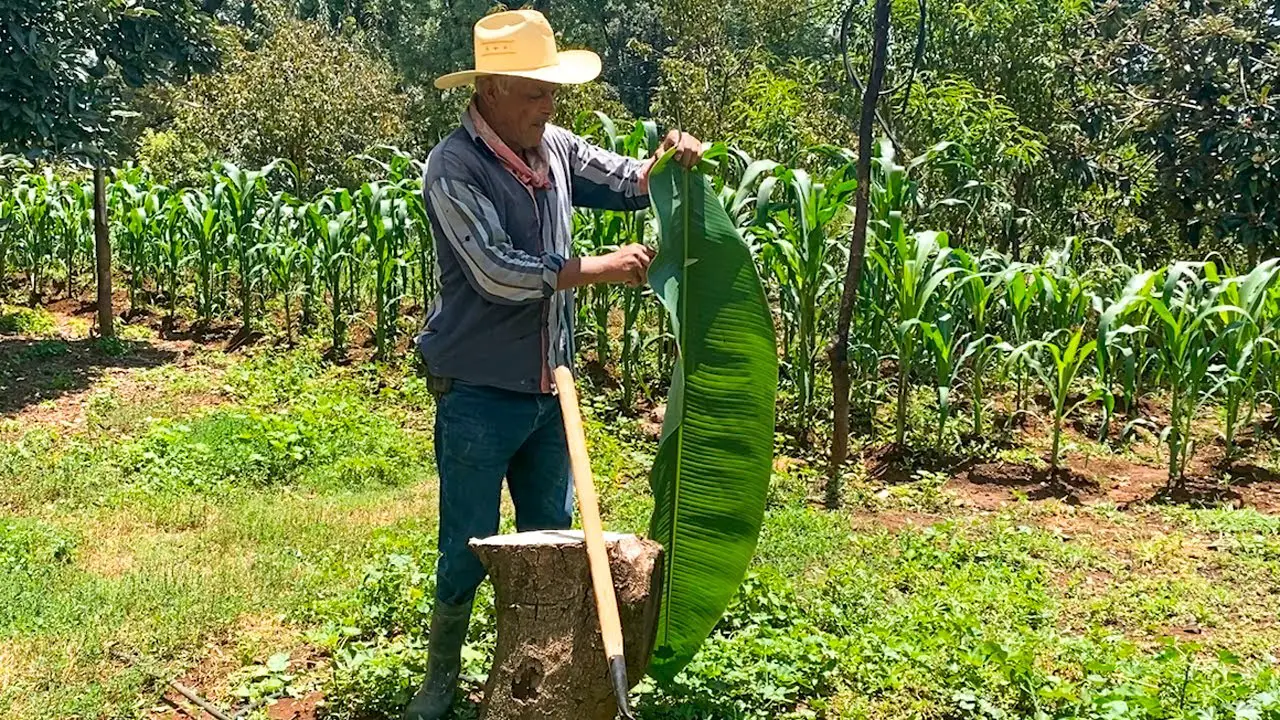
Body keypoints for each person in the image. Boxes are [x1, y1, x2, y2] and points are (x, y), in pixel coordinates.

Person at [404, 9, 703, 719]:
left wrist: (671, 158)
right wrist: (597, 267)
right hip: (478, 391)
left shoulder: (556, 147)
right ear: (493, 91)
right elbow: (496, 273)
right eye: (535, 93)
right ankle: (440, 676)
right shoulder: (454, 167)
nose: (549, 106)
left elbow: (630, 180)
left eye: (550, 93)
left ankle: (543, 681)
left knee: (553, 542)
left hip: (549, 386)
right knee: (466, 545)